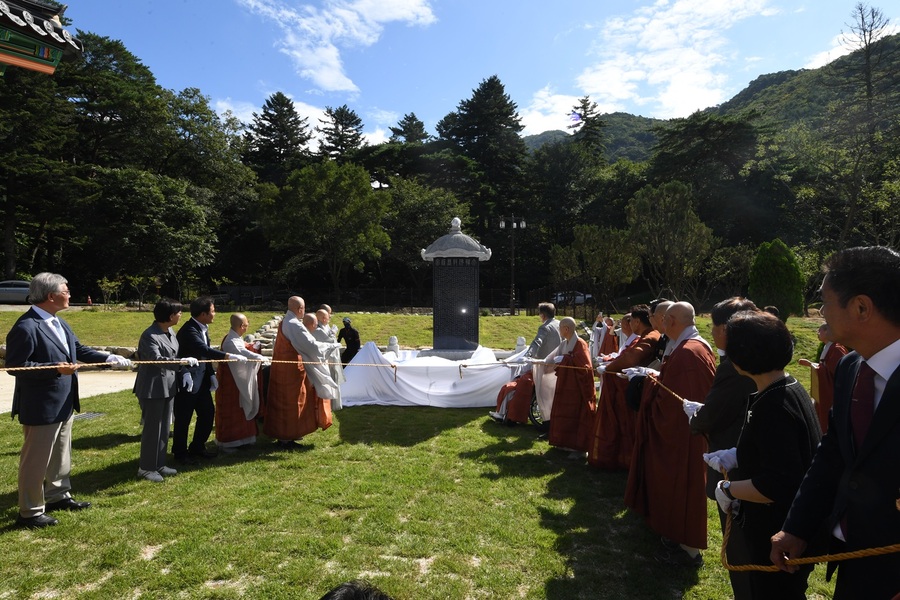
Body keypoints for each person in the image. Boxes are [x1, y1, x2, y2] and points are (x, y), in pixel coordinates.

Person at [770, 246, 900, 599]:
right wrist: (797, 527)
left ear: (861, 307)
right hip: (852, 557)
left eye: (825, 301)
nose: (821, 311)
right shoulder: (850, 367)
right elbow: (834, 454)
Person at [705, 310, 822, 598]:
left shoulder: (772, 406)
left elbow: (776, 483)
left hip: (776, 537)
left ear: (740, 356)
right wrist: (740, 455)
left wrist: (728, 488)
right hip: (789, 529)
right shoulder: (787, 386)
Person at [6, 272, 131, 528]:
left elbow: (80, 349)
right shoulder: (26, 326)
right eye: (66, 291)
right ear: (51, 296)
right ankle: (29, 511)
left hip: (64, 401)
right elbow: (16, 366)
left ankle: (58, 496)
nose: (70, 295)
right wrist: (55, 368)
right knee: (36, 460)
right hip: (41, 405)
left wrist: (108, 359)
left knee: (61, 454)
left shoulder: (59, 323)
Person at [624, 301, 716, 567]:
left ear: (672, 321)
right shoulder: (687, 347)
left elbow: (677, 400)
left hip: (683, 437)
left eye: (664, 320)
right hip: (680, 432)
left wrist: (649, 386)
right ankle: (675, 537)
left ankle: (688, 550)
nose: (661, 324)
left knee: (683, 487)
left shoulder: (690, 353)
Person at [683, 297, 759, 597]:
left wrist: (696, 417)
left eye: (713, 326)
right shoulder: (754, 360)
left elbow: (715, 412)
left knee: (742, 552)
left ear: (727, 329)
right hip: (748, 461)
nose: (711, 332)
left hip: (735, 466)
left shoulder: (733, 366)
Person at [173, 296, 248, 465]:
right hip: (188, 380)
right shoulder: (189, 330)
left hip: (202, 381)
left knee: (207, 414)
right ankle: (180, 453)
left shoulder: (203, 327)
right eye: (213, 311)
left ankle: (197, 447)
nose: (215, 314)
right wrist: (228, 356)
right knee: (184, 418)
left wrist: (211, 375)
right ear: (203, 314)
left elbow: (204, 356)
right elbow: (203, 349)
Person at [589, 305, 659, 469]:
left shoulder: (650, 336)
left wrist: (608, 368)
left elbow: (630, 357)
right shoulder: (647, 335)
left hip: (636, 388)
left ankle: (624, 459)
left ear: (635, 322)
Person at [133, 299, 195, 482]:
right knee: (153, 429)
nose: (180, 315)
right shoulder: (150, 336)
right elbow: (155, 359)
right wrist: (181, 363)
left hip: (168, 386)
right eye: (178, 313)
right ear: (170, 316)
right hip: (152, 388)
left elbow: (174, 354)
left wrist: (182, 368)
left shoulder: (170, 331)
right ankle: (146, 467)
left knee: (164, 428)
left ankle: (159, 463)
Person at [264, 297, 337, 447]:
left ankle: (291, 434)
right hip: (290, 372)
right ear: (300, 309)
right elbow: (311, 346)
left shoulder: (287, 322)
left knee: (291, 402)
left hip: (284, 369)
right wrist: (331, 346)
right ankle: (286, 437)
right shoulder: (293, 324)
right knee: (290, 403)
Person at [214, 313, 267, 452]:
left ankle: (244, 439)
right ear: (241, 326)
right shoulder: (231, 340)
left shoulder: (235, 337)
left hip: (238, 381)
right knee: (232, 411)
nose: (247, 326)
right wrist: (258, 356)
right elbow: (243, 352)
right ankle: (228, 443)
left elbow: (244, 347)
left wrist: (253, 347)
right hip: (230, 383)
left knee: (241, 411)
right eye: (246, 324)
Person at [546, 317, 595, 457]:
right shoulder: (564, 343)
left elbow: (585, 367)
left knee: (576, 414)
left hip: (577, 387)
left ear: (566, 329)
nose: (559, 330)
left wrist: (567, 359)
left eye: (560, 328)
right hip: (566, 385)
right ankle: (564, 443)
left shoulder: (580, 344)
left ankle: (578, 448)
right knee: (565, 412)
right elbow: (554, 357)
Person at [798, 323, 848, 433]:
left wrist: (811, 365)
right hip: (823, 390)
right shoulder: (828, 346)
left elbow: (838, 371)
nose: (817, 333)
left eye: (819, 331)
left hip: (831, 392)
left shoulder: (836, 349)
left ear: (827, 332)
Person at [314, 308, 345, 410]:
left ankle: (335, 405)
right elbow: (329, 342)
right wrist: (333, 333)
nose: (329, 319)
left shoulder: (325, 326)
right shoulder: (317, 329)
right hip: (327, 361)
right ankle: (328, 406)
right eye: (328, 317)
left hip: (333, 359)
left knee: (335, 381)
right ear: (323, 318)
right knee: (329, 383)